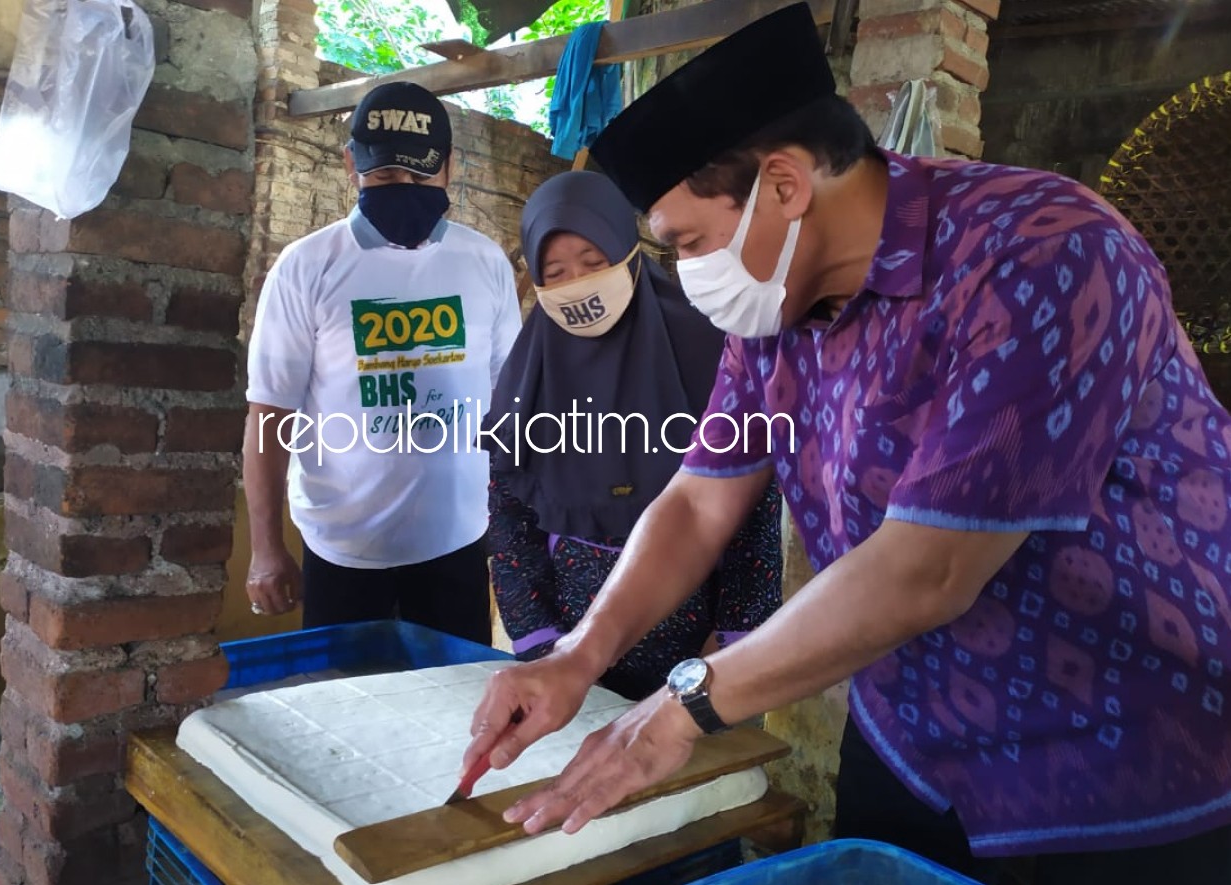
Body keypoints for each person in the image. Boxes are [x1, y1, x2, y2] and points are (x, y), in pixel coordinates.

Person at [460, 5, 1231, 884]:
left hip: (1121, 763)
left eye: (690, 243)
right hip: (911, 737)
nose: (686, 274)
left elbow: (926, 569)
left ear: (784, 187)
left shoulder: (1042, 255)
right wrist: (579, 655)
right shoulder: (775, 301)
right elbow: (703, 494)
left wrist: (679, 711)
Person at [486, 170, 784, 702]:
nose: (576, 281)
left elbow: (751, 506)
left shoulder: (709, 352)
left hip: (702, 652)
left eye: (594, 263)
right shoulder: (527, 381)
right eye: (555, 272)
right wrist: (542, 647)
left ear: (628, 253)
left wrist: (736, 644)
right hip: (567, 654)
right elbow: (511, 524)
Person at [242, 81, 521, 645]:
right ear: (352, 165)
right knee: (345, 710)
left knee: (453, 711)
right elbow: (269, 416)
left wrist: (516, 531)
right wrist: (266, 549)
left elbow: (509, 404)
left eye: (420, 176)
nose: (405, 189)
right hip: (343, 548)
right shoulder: (306, 268)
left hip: (458, 542)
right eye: (387, 176)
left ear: (448, 168)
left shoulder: (484, 262)